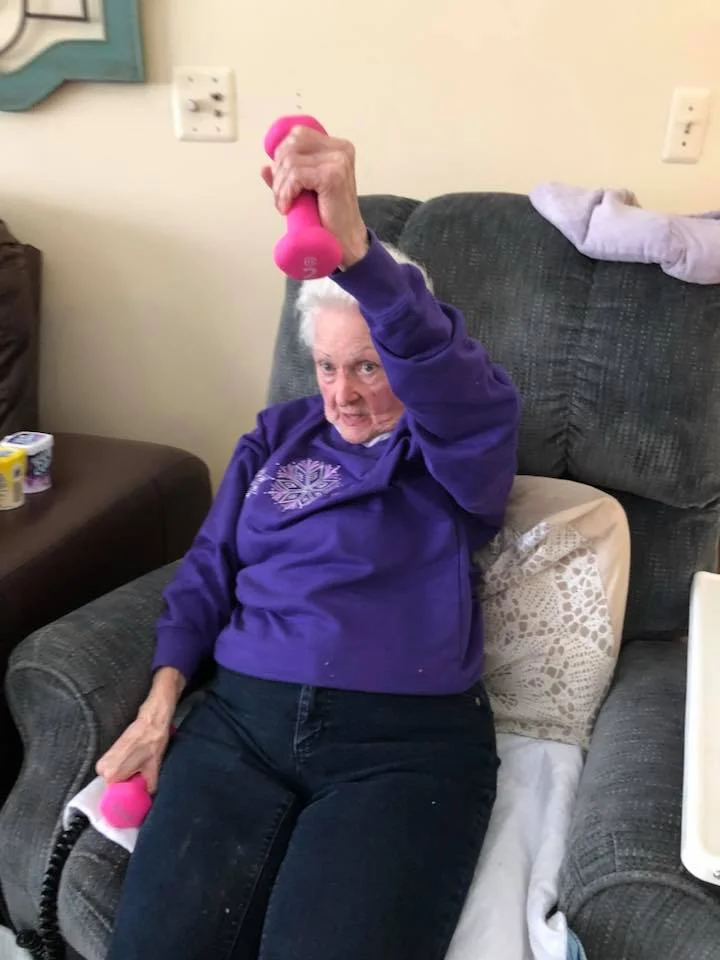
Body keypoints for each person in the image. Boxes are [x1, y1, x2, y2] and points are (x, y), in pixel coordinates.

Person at [99, 125, 521, 960]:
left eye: (368, 367)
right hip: (240, 723)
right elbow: (208, 570)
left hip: (402, 744)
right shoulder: (276, 436)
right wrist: (160, 701)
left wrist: (357, 254)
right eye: (327, 367)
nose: (343, 396)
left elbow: (455, 387)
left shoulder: (455, 444)